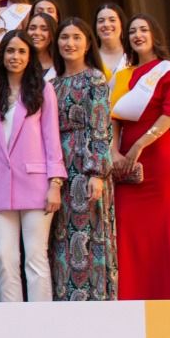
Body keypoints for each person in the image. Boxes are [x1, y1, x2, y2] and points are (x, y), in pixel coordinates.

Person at [0, 31, 67, 302]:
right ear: (2, 56)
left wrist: (55, 183)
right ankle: (11, 320)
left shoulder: (43, 90)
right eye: (10, 51)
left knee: (35, 256)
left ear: (30, 56)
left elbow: (52, 138)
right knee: (4, 256)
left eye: (22, 51)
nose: (16, 57)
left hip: (37, 184)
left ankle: (39, 320)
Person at [111, 13, 170, 300]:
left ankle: (166, 295)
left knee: (159, 230)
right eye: (132, 31)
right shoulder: (123, 75)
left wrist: (139, 146)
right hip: (125, 163)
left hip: (158, 159)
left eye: (143, 29)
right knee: (126, 227)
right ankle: (130, 295)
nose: (137, 35)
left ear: (154, 35)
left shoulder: (169, 72)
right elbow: (114, 118)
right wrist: (115, 152)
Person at [50, 18, 118, 301]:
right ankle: (64, 297)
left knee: (89, 233)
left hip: (86, 161)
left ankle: (94, 300)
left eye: (76, 37)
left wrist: (97, 173)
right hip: (58, 163)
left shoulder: (95, 79)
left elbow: (101, 125)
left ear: (88, 43)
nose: (70, 43)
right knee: (61, 234)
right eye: (64, 37)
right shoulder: (52, 84)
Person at [93, 2, 128, 78]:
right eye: (101, 21)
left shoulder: (133, 56)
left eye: (112, 20)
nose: (106, 24)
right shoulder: (89, 59)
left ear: (121, 24)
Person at [24, 11, 58, 79]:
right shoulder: (19, 64)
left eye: (44, 29)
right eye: (32, 28)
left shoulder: (62, 66)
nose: (37, 33)